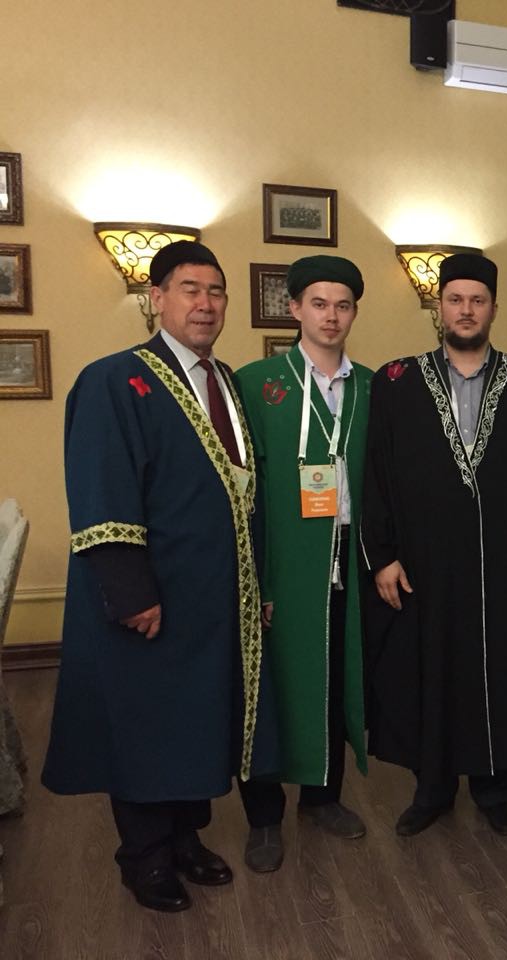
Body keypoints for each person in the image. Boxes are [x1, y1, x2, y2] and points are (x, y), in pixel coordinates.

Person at [43, 241, 278, 912]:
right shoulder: (115, 380)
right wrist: (130, 592)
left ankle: (184, 840)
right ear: (157, 298)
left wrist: (257, 586)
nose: (205, 304)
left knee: (194, 719)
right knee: (146, 725)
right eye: (189, 289)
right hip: (152, 595)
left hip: (214, 594)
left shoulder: (226, 381)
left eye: (216, 291)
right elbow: (102, 489)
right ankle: (144, 859)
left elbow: (241, 490)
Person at [362, 252, 507, 837]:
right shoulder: (395, 381)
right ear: (439, 306)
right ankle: (432, 789)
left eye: (477, 300)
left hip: (502, 562)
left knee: (500, 668)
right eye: (455, 300)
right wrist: (383, 556)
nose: (466, 310)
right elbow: (374, 473)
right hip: (425, 562)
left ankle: (496, 789)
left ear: (494, 308)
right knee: (431, 669)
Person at [234, 255, 372, 872]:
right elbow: (244, 492)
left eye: (342, 305)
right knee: (271, 689)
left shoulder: (372, 387)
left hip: (346, 564)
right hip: (283, 568)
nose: (331, 316)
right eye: (318, 303)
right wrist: (259, 578)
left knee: (335, 680)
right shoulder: (257, 383)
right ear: (294, 309)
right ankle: (264, 817)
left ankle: (322, 798)